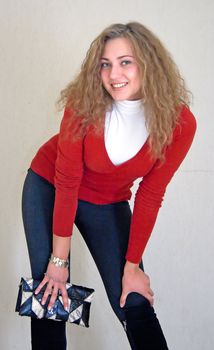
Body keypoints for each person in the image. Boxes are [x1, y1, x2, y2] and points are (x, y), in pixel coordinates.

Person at [21, 22, 197, 350]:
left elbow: (150, 193)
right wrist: (59, 263)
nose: (114, 73)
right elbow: (68, 180)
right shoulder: (83, 104)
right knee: (50, 293)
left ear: (149, 63)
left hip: (107, 200)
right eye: (105, 64)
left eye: (125, 61)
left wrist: (132, 267)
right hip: (50, 184)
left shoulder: (179, 122)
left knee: (134, 299)